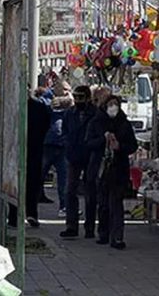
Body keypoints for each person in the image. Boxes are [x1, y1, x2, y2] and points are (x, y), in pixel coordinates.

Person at [85, 95, 138, 249]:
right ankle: (103, 233)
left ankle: (117, 237)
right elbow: (88, 143)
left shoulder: (124, 124)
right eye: (110, 104)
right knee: (102, 203)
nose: (113, 107)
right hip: (100, 168)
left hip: (119, 168)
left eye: (116, 104)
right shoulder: (96, 123)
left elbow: (132, 145)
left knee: (116, 203)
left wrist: (119, 146)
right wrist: (103, 139)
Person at [60, 86, 100, 239]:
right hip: (74, 155)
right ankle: (71, 226)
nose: (78, 101)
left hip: (90, 156)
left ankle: (89, 226)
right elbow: (64, 130)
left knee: (90, 192)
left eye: (81, 97)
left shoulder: (95, 113)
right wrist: (67, 144)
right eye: (75, 97)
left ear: (88, 98)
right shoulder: (70, 113)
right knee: (70, 190)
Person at [20, 88, 51, 227]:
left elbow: (46, 124)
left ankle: (31, 214)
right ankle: (16, 215)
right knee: (17, 185)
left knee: (33, 183)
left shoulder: (39, 107)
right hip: (17, 150)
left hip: (34, 149)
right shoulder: (13, 106)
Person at [41, 83, 73, 216]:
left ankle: (64, 206)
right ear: (57, 88)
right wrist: (53, 104)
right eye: (65, 89)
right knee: (38, 176)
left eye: (69, 90)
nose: (66, 92)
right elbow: (44, 108)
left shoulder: (69, 102)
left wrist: (69, 103)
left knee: (64, 178)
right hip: (47, 144)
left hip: (63, 145)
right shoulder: (46, 99)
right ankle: (27, 209)